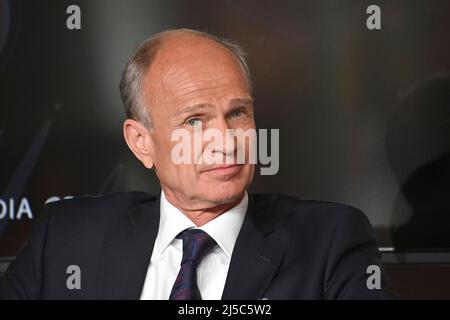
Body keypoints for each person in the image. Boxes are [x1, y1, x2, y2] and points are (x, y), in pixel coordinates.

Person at [0, 28, 394, 299]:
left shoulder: (328, 241)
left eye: (238, 113)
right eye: (194, 121)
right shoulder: (66, 238)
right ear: (141, 143)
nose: (225, 140)